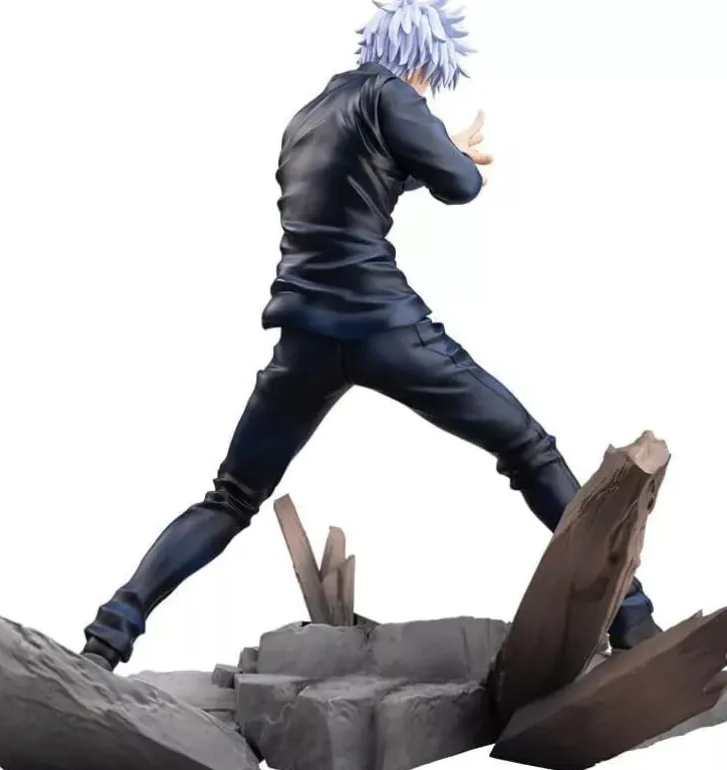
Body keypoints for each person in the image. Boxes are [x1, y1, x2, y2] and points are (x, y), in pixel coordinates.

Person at [81, 0, 661, 671]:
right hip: (383, 328)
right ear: (424, 62)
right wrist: (451, 154)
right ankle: (633, 618)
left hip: (303, 339)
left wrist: (424, 158)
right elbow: (462, 186)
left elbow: (355, 181)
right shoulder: (393, 94)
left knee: (231, 497)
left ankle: (107, 636)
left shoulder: (308, 117)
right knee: (528, 449)